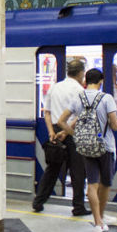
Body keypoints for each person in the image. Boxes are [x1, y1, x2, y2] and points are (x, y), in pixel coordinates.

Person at [56, 68, 117, 232]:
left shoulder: (78, 98)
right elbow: (115, 126)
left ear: (86, 81)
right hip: (105, 147)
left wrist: (75, 135)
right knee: (105, 184)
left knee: (91, 184)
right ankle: (102, 217)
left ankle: (97, 222)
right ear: (101, 81)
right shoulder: (107, 98)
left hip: (85, 146)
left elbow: (61, 121)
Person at [33, 59, 90, 216]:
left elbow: (47, 111)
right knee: (78, 171)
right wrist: (65, 132)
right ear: (80, 73)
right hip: (71, 132)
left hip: (55, 131)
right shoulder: (80, 90)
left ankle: (38, 202)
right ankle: (78, 207)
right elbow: (80, 116)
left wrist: (51, 132)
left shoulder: (55, 87)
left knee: (52, 169)